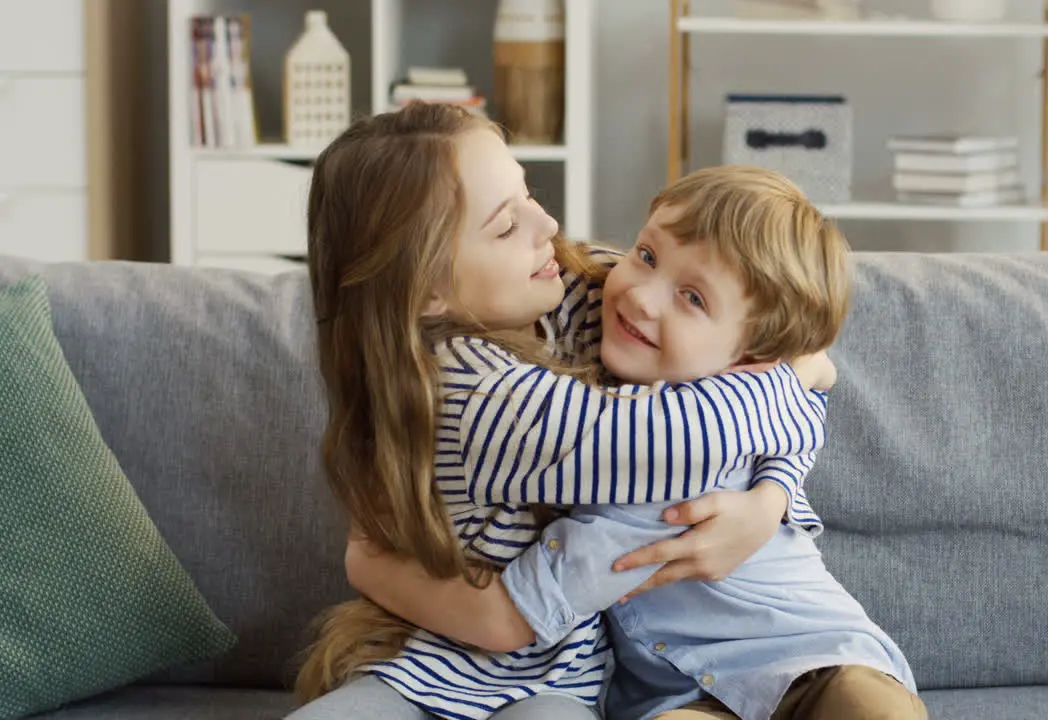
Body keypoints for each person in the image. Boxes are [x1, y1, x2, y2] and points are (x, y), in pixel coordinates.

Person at [289, 102, 831, 720]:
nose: (546, 223)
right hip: (432, 668)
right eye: (503, 226)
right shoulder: (470, 388)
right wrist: (798, 374)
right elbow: (668, 440)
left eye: (529, 195)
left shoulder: (554, 296)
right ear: (428, 289)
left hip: (562, 684)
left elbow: (768, 318)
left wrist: (773, 497)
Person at [350, 165, 927, 720]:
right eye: (647, 255)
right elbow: (806, 382)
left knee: (868, 707)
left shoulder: (697, 433)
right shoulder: (589, 427)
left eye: (693, 298)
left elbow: (804, 384)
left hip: (815, 654)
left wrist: (771, 494)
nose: (642, 296)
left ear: (750, 359)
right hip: (678, 696)